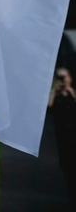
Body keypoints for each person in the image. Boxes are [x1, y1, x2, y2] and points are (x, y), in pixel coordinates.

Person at [48, 67, 76, 210]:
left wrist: (71, 93)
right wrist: (54, 91)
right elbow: (48, 110)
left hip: (73, 137)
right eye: (60, 77)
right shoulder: (56, 96)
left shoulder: (72, 95)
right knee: (67, 169)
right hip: (63, 138)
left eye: (64, 77)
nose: (63, 80)